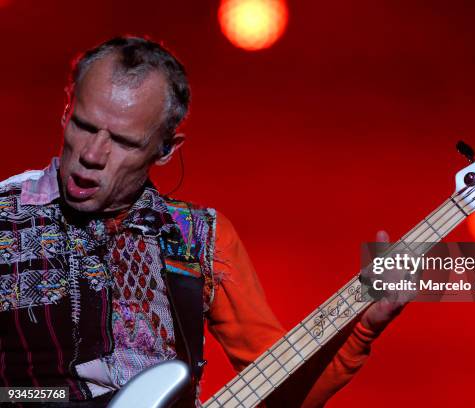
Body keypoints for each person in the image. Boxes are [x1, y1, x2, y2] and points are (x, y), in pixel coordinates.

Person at [0, 36, 406, 407]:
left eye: (123, 141)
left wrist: (363, 330)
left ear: (165, 149)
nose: (92, 153)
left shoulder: (199, 239)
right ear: (66, 108)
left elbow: (281, 392)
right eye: (83, 125)